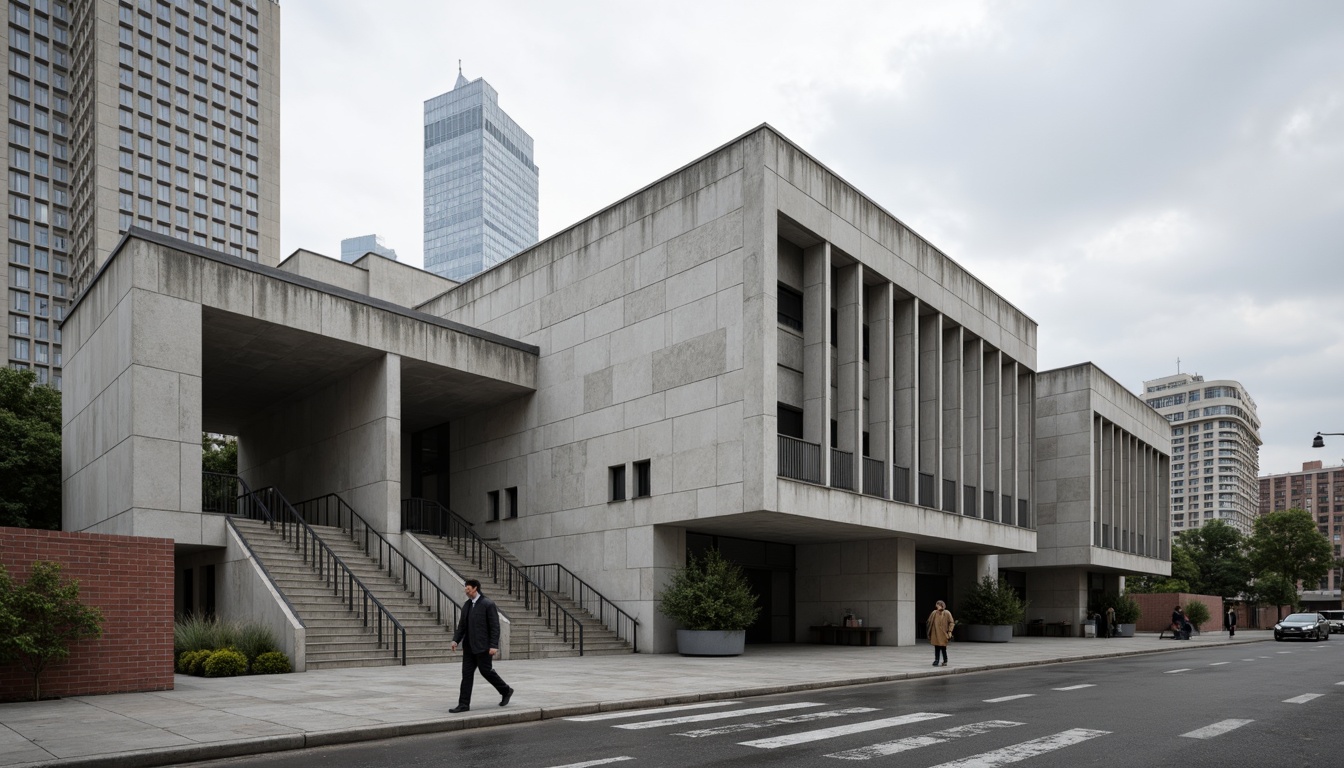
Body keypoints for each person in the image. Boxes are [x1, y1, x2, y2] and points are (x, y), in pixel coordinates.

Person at [449, 579, 514, 712]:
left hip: (483, 647)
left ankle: (506, 690)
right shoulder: (467, 605)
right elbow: (462, 626)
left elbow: (495, 626)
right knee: (466, 675)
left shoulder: (487, 604)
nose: (466, 591)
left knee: (486, 671)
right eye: (465, 589)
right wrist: (456, 640)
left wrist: (493, 645)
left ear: (475, 588)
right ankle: (463, 704)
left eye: (468, 589)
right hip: (469, 648)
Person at [926, 600, 955, 666]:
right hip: (935, 632)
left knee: (943, 647)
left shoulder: (946, 613)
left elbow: (951, 622)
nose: (937, 606)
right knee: (937, 647)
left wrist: (950, 631)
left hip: (943, 633)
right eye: (937, 605)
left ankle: (945, 660)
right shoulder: (934, 613)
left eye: (939, 605)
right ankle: (936, 660)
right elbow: (929, 621)